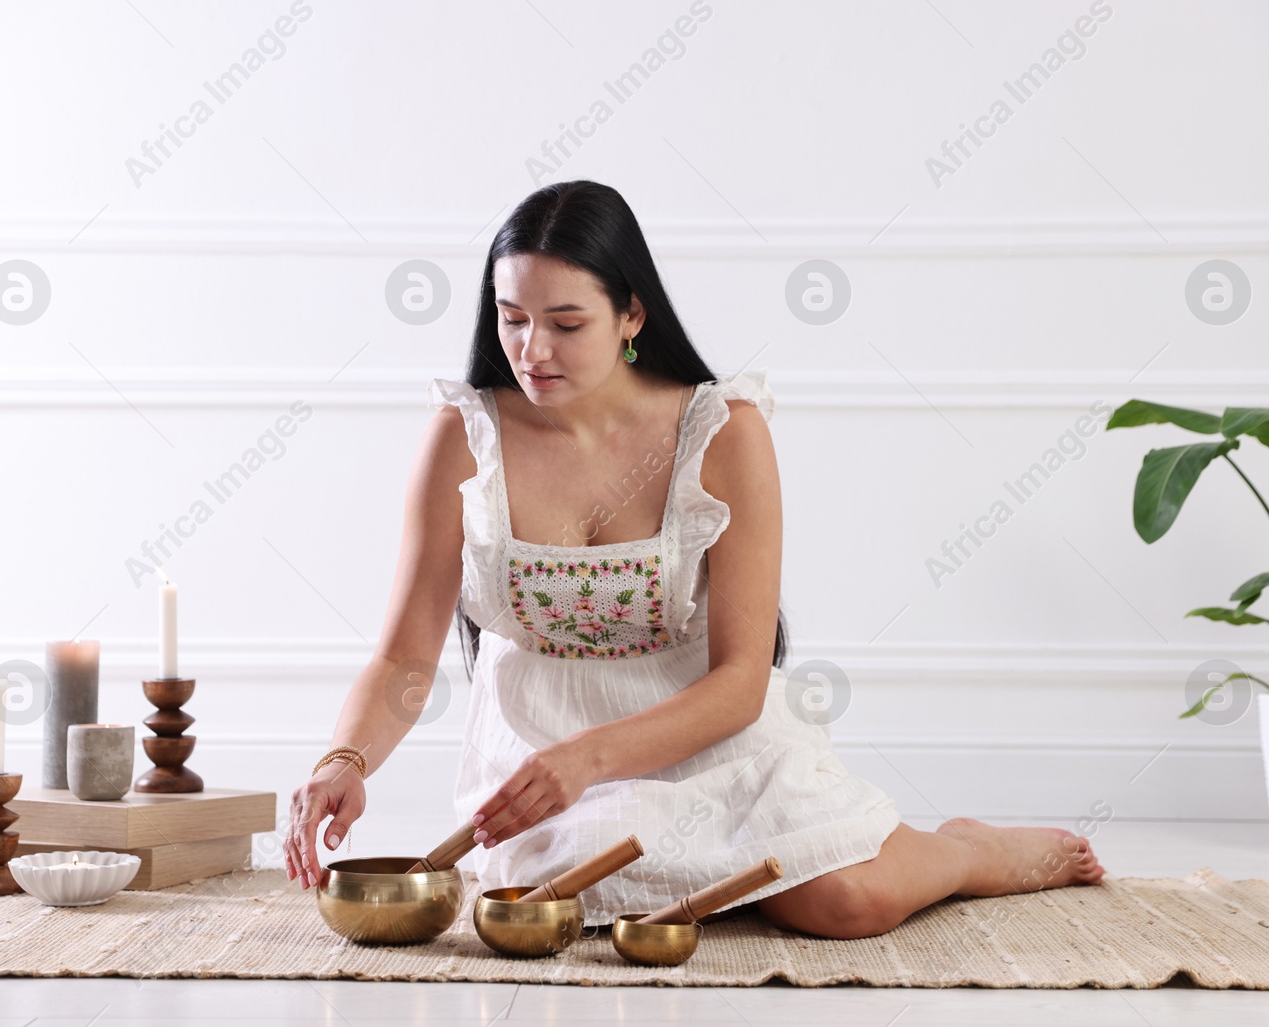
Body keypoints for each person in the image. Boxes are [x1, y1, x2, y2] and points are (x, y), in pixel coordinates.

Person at [284, 180, 1105, 937]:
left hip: (706, 733)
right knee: (579, 899)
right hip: (542, 756)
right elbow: (403, 653)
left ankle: (962, 850)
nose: (532, 349)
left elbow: (743, 680)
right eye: (512, 317)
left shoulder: (723, 432)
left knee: (848, 901)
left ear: (632, 315)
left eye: (566, 323)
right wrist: (344, 759)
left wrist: (595, 756)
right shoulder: (465, 437)